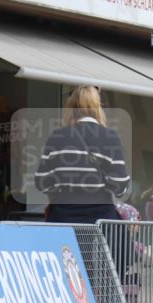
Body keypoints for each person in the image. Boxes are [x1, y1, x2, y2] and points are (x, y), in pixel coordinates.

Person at [35, 85, 130, 223]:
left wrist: (60, 189)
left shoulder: (57, 136)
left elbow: (41, 181)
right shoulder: (110, 137)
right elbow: (120, 186)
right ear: (98, 107)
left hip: (63, 220)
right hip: (100, 222)